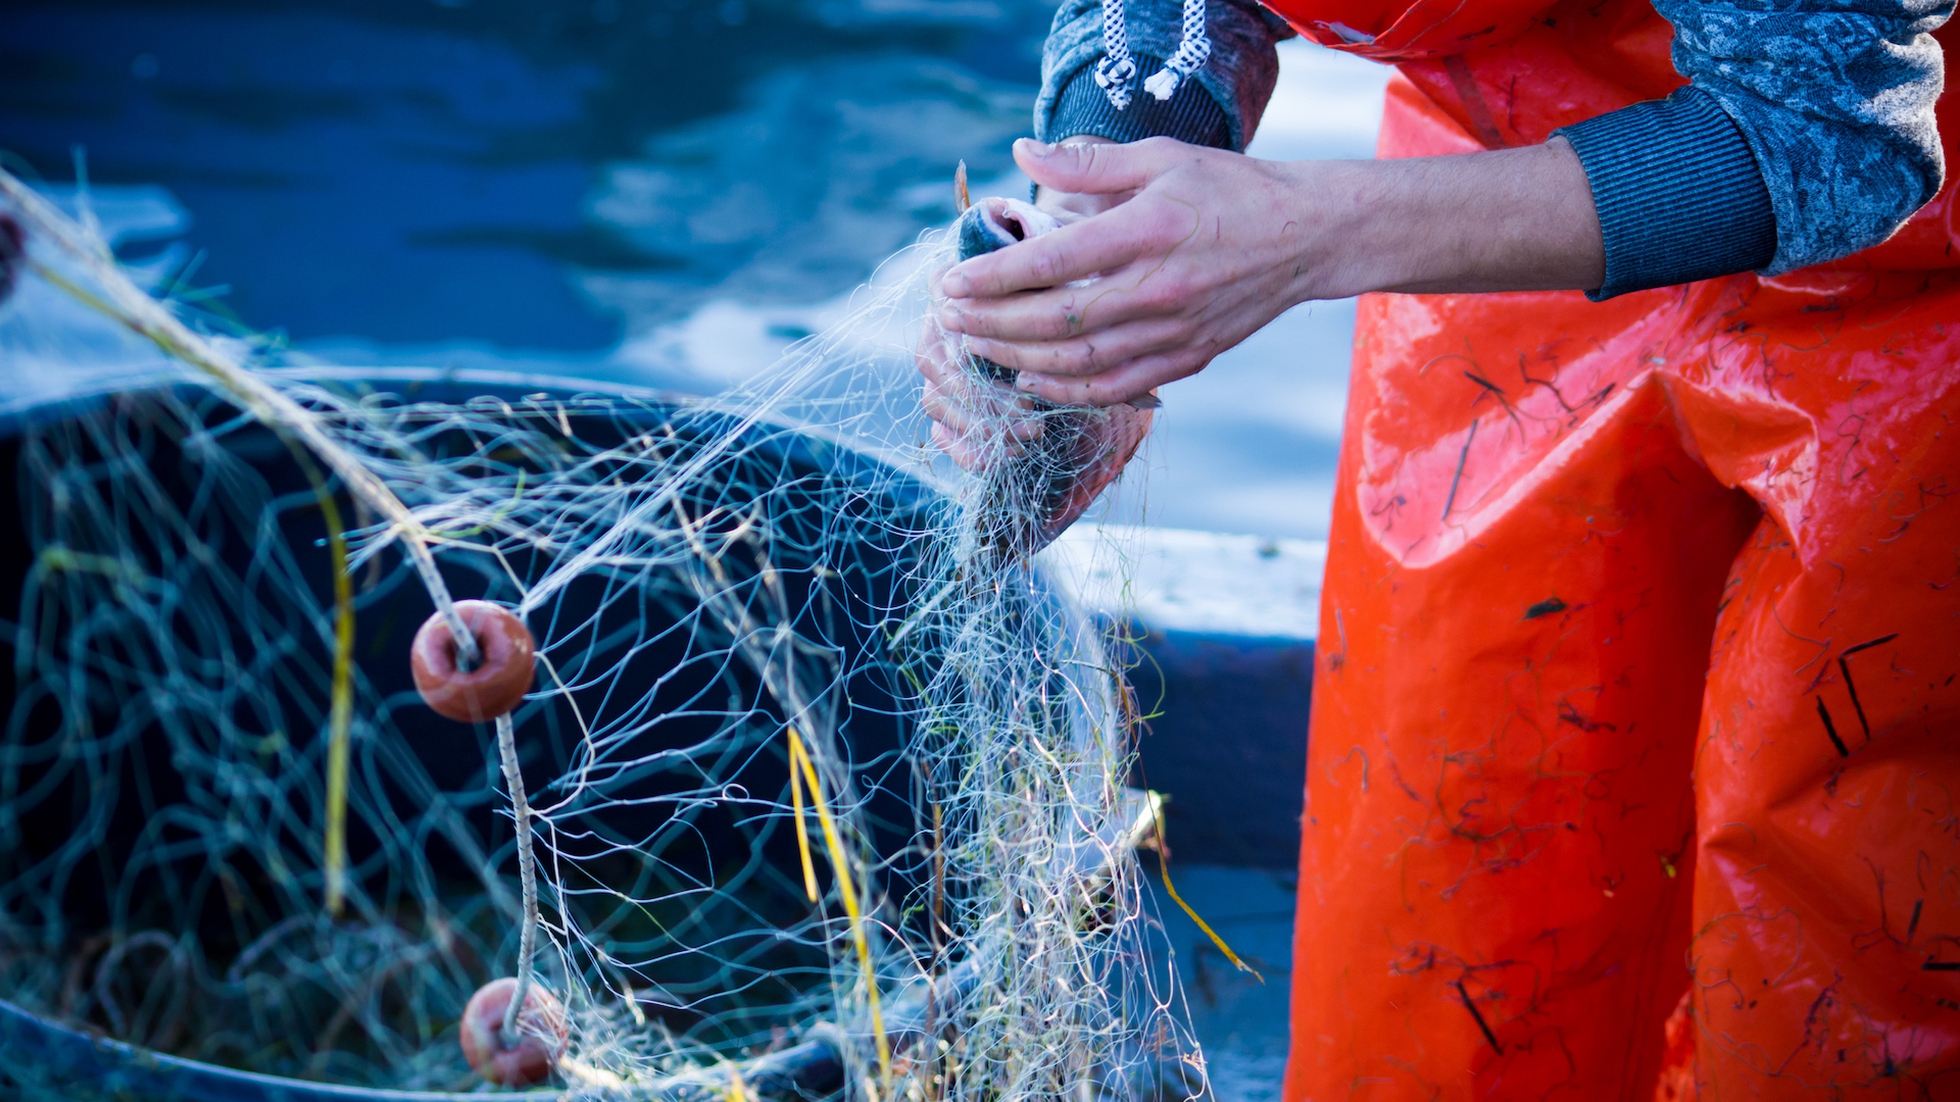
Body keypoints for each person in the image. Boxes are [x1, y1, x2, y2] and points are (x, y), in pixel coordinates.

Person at [918, 0, 1960, 1092]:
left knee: (1838, 975)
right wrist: (1097, 244)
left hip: (1912, 305)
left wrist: (1302, 237)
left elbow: (1831, 130)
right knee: (1446, 939)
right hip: (1497, 228)